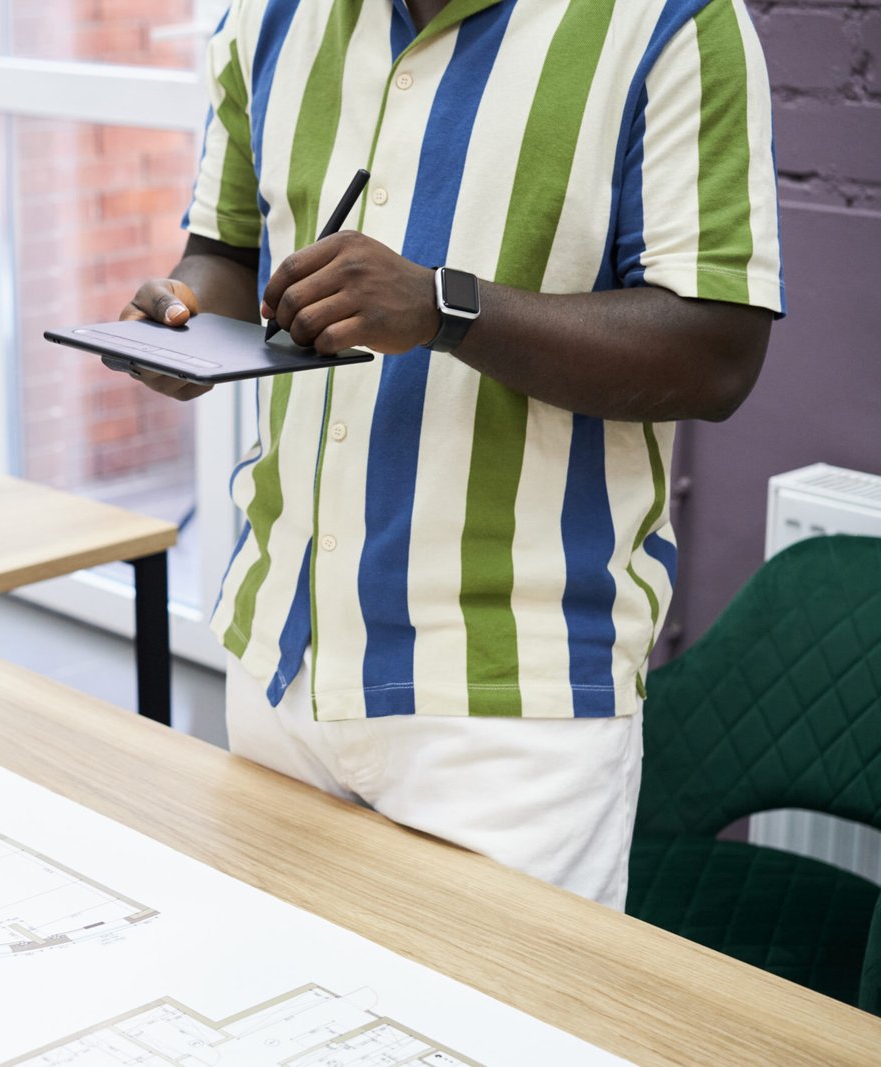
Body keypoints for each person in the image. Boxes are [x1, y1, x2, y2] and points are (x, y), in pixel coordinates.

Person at [115, 0, 781, 909]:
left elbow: (716, 351)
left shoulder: (673, 23)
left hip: (512, 714)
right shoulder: (267, 18)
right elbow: (224, 252)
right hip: (280, 656)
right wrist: (182, 315)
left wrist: (442, 306)